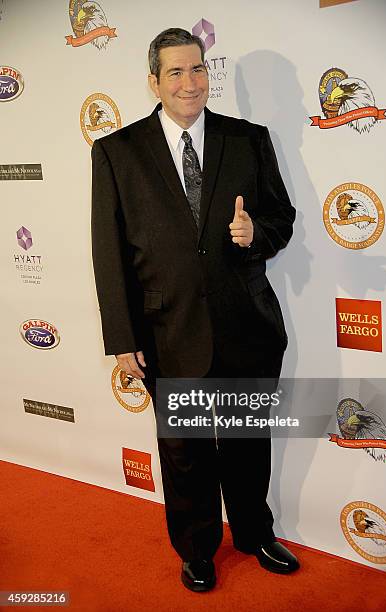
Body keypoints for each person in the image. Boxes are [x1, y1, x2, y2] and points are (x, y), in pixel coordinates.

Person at [91, 27, 299, 592]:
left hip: (245, 322)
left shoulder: (249, 139)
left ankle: (255, 533)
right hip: (168, 328)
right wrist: (122, 334)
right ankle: (197, 548)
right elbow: (107, 251)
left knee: (247, 442)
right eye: (176, 72)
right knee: (184, 455)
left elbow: (282, 219)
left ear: (210, 73)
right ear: (154, 80)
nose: (190, 82)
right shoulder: (117, 151)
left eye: (198, 69)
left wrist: (256, 232)